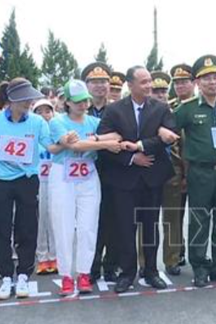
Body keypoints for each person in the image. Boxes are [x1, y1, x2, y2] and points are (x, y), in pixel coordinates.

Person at [96, 66, 179, 293]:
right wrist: (132, 158)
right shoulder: (114, 110)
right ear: (130, 85)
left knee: (151, 228)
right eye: (143, 82)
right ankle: (127, 273)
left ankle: (151, 271)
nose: (149, 86)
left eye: (149, 81)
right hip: (123, 180)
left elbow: (168, 136)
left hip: (152, 178)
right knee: (125, 228)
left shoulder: (161, 108)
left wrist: (142, 146)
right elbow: (103, 144)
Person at [47, 80, 123, 296]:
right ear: (67, 102)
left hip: (88, 176)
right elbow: (74, 145)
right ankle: (66, 276)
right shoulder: (57, 122)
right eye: (78, 102)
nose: (83, 105)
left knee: (88, 227)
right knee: (63, 226)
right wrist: (102, 144)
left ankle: (84, 273)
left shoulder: (93, 122)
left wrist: (96, 139)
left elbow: (116, 136)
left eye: (85, 101)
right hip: (62, 177)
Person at [173, 55, 216, 287]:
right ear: (198, 83)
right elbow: (168, 129)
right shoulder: (188, 109)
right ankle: (200, 267)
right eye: (207, 79)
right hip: (200, 173)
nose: (212, 82)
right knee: (199, 222)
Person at [0, 78, 53, 301]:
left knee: (27, 227)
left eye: (30, 98)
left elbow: (50, 145)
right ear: (11, 99)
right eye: (24, 98)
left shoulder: (37, 122)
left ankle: (23, 273)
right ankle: (6, 276)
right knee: (1, 227)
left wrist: (68, 143)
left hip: (27, 180)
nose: (29, 102)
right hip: (1, 182)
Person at [83, 62, 118, 283]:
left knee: (113, 220)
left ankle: (111, 265)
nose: (100, 86)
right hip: (85, 172)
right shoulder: (77, 109)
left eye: (104, 81)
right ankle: (91, 266)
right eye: (94, 82)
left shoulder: (117, 109)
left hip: (113, 170)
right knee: (89, 222)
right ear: (86, 85)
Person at [162, 64, 193, 276]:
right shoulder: (169, 108)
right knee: (174, 216)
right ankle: (176, 254)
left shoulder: (200, 106)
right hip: (176, 170)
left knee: (199, 216)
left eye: (185, 81)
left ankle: (197, 254)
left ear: (194, 83)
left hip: (199, 168)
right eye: (178, 82)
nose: (181, 85)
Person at [33, 99, 57, 276]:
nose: (44, 115)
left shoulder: (58, 132)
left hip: (56, 181)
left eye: (47, 111)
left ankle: (55, 256)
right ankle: (42, 257)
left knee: (55, 219)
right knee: (40, 219)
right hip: (38, 181)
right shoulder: (32, 134)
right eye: (39, 112)